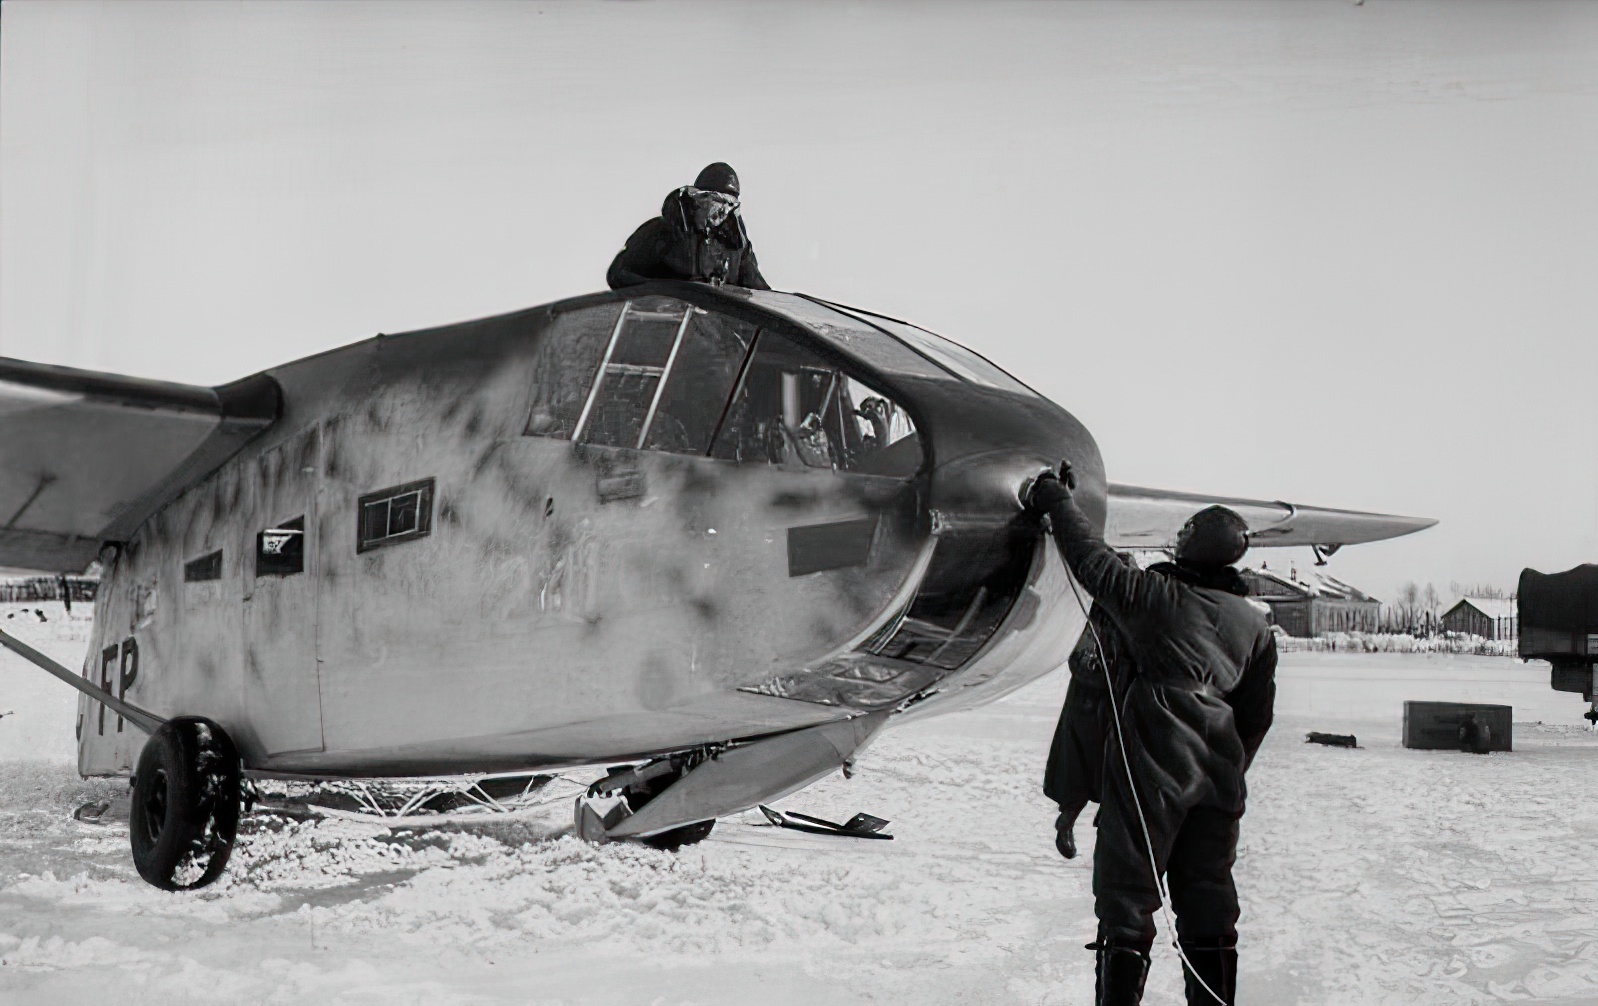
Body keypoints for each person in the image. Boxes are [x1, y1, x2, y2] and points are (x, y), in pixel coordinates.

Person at [1024, 465, 1277, 1006]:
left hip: (1152, 767)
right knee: (1209, 900)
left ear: (1195, 545)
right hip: (1219, 776)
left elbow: (1088, 558)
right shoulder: (1255, 625)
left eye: (1184, 531)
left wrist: (1054, 498)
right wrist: (1226, 769)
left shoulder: (1154, 598)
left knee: (1127, 899)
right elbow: (1256, 717)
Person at [1042, 559, 1137, 860]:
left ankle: (1107, 832)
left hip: (1124, 705)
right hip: (1088, 704)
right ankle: (1066, 821)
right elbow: (1079, 659)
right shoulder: (1089, 615)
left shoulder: (1138, 615)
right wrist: (1108, 672)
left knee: (1120, 770)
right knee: (1079, 767)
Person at [607, 162, 770, 290]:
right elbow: (618, 274)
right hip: (664, 321)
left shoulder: (736, 247)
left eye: (729, 204)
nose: (721, 210)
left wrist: (790, 302)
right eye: (714, 201)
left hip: (715, 328)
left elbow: (756, 290)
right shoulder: (661, 232)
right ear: (696, 200)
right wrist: (668, 290)